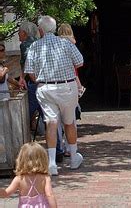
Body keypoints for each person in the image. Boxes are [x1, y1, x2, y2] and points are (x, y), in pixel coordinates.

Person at [24, 15, 84, 176]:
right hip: (66, 85)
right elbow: (80, 62)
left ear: (40, 29)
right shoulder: (65, 43)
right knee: (69, 122)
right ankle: (73, 157)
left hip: (46, 87)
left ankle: (51, 163)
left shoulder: (35, 46)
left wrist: (42, 81)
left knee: (51, 122)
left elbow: (30, 72)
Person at [0, 142, 57, 207]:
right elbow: (49, 195)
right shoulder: (45, 178)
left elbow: (6, 193)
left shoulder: (19, 179)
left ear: (21, 160)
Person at [57, 23, 85, 96]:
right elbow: (74, 42)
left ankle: (79, 88)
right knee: (74, 74)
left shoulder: (57, 40)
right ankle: (79, 88)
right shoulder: (70, 40)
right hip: (69, 63)